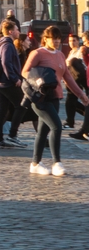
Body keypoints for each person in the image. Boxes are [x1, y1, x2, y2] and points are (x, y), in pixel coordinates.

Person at [23, 25, 89, 176]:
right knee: (56, 127)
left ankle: (35, 163)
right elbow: (25, 71)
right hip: (40, 98)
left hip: (55, 97)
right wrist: (39, 81)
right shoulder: (37, 53)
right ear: (45, 39)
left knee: (43, 130)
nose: (57, 41)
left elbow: (68, 77)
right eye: (54, 38)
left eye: (59, 38)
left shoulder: (60, 55)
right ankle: (56, 163)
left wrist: (81, 95)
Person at [0, 20, 27, 148]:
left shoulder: (1, 44)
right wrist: (14, 79)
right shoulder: (8, 45)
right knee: (22, 105)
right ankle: (12, 135)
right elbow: (6, 63)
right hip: (7, 82)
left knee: (3, 111)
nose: (18, 32)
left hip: (0, 83)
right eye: (17, 29)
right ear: (11, 31)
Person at [65, 45, 88, 129]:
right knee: (70, 101)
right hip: (73, 78)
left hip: (79, 78)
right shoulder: (71, 52)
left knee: (72, 101)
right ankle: (70, 121)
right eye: (70, 41)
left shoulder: (82, 51)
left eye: (74, 40)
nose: (72, 42)